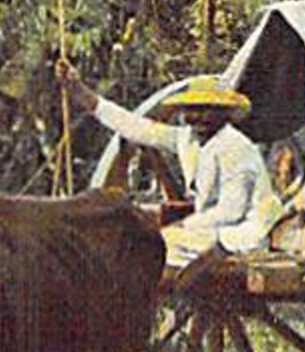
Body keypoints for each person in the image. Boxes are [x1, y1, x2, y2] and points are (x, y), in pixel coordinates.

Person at [57, 60, 280, 268]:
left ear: (224, 114)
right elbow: (137, 128)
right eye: (191, 110)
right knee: (146, 245)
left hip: (241, 233)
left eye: (206, 110)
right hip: (210, 229)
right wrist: (81, 93)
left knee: (158, 246)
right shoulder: (187, 139)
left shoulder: (236, 147)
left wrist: (183, 226)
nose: (197, 118)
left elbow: (231, 211)